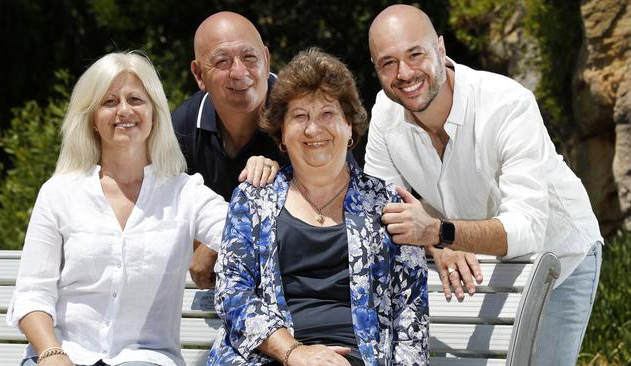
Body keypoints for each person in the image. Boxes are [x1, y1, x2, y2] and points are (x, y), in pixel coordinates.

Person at [365, 5, 603, 366]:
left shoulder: (508, 104)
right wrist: (440, 246)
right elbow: (380, 210)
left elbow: (526, 230)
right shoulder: (384, 113)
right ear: (376, 69)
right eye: (388, 63)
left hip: (561, 258)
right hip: (475, 260)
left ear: (441, 49)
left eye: (415, 54)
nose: (405, 73)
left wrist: (438, 232)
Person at [207, 48, 429, 366]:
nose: (313, 129)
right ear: (281, 133)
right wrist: (294, 352)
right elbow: (232, 292)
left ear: (350, 126)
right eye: (300, 116)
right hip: (268, 356)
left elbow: (410, 312)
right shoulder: (252, 199)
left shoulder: (386, 204)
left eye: (327, 114)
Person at [7, 52, 229, 366]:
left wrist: (266, 175)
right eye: (109, 102)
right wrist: (51, 353)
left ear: (154, 113)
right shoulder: (58, 193)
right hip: (61, 354)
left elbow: (245, 233)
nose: (124, 110)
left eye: (136, 99)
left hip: (147, 359)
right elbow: (32, 294)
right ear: (92, 118)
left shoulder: (185, 193)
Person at [171, 12, 286, 289]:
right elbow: (163, 212)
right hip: (211, 293)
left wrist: (221, 239)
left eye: (249, 57)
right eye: (222, 61)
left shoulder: (303, 115)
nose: (239, 72)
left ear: (266, 59)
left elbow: (338, 202)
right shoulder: (182, 127)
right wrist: (200, 245)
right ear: (199, 75)